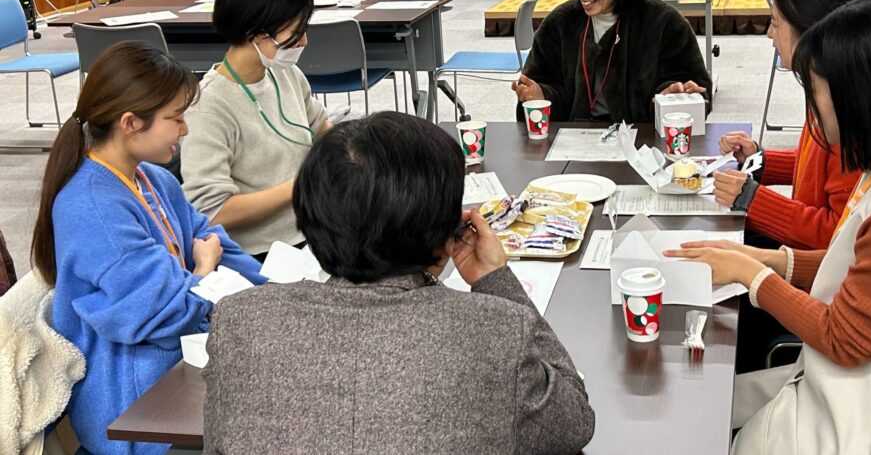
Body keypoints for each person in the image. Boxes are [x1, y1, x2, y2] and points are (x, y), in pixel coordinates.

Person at [666, 0, 871, 453]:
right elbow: (857, 266)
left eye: (817, 90)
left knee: (699, 416)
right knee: (709, 403)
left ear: (861, 96)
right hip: (856, 376)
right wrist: (761, 258)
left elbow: (844, 338)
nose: (814, 105)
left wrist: (753, 275)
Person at [203, 112, 596, 453]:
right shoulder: (498, 329)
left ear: (308, 215)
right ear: (446, 231)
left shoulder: (241, 319)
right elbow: (574, 424)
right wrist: (496, 279)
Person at [31, 42, 264, 455]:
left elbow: (214, 241)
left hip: (174, 364)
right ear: (130, 123)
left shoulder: (153, 179)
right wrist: (204, 273)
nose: (185, 129)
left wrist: (273, 291)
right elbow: (158, 315)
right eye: (175, 118)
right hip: (136, 410)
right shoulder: (92, 209)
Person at [182, 0, 331, 258]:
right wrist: (301, 187)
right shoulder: (209, 106)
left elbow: (322, 130)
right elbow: (212, 211)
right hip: (260, 254)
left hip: (314, 233)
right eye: (295, 31)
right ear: (255, 33)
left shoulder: (284, 73)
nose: (303, 41)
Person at [713, 0, 863, 250]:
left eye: (776, 24)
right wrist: (762, 160)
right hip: (799, 248)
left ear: (810, 33)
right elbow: (819, 164)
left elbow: (838, 237)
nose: (770, 34)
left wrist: (752, 198)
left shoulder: (847, 114)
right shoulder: (828, 89)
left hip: (812, 267)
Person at [513, 0, 711, 123]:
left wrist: (674, 96)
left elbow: (698, 90)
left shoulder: (665, 24)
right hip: (573, 140)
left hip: (643, 143)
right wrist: (541, 96)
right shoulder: (560, 23)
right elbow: (545, 86)